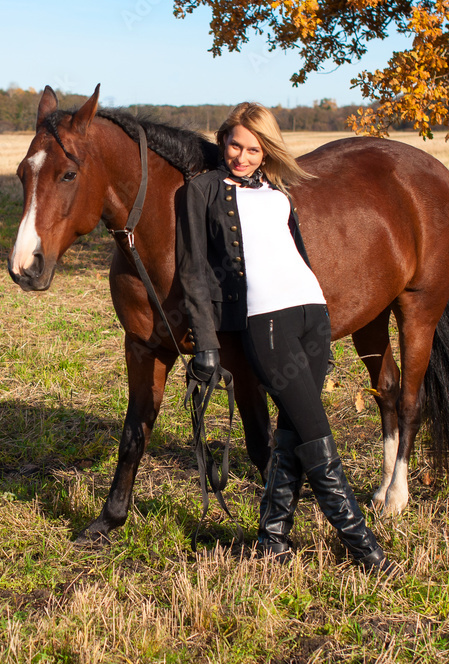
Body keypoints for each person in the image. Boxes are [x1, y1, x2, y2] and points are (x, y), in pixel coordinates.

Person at [175, 102, 393, 572]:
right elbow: (192, 271)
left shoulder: (277, 190)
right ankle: (363, 547)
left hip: (313, 314)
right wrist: (207, 344)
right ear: (223, 141)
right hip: (267, 323)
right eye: (235, 145)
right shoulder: (202, 191)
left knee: (293, 431)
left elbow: (296, 253)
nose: (242, 157)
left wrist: (323, 319)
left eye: (254, 149)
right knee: (316, 434)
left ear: (267, 151)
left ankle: (272, 538)